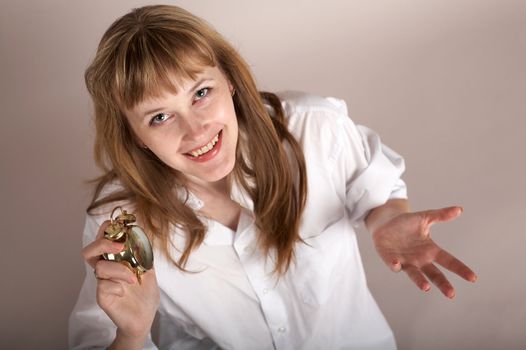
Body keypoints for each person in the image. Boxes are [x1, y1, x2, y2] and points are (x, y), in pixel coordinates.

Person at [68, 4, 477, 350]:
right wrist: (132, 334)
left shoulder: (314, 127)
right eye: (159, 117)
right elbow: (98, 339)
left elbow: (378, 192)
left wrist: (386, 221)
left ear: (228, 80)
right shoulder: (120, 221)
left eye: (200, 93)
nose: (195, 131)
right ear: (134, 136)